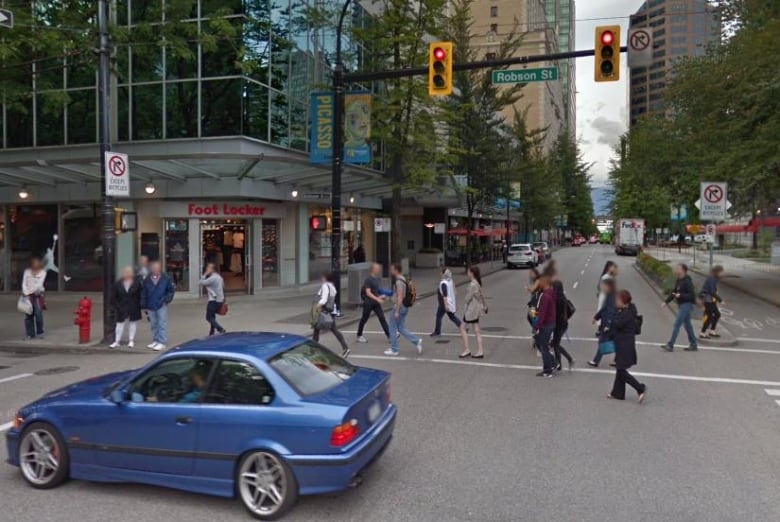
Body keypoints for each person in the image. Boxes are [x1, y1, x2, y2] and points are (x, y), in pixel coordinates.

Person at [609, 290, 647, 403]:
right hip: (623, 344)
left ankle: (640, 388)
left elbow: (616, 323)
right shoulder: (624, 311)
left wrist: (613, 317)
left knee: (621, 370)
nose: (616, 301)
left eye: (618, 300)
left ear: (624, 301)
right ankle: (617, 393)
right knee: (620, 368)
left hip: (625, 345)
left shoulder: (627, 313)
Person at [385, 263, 422, 356]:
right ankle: (416, 341)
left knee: (392, 327)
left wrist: (397, 310)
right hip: (404, 306)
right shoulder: (403, 278)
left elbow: (401, 296)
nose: (390, 270)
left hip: (400, 307)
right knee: (400, 327)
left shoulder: (398, 281)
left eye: (392, 269)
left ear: (396, 270)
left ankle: (394, 349)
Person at [660, 263, 698, 352]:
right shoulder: (678, 280)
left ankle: (670, 345)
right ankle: (694, 344)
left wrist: (681, 295)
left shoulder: (687, 281)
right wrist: (666, 302)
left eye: (678, 268)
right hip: (682, 304)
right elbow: (674, 292)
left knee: (677, 324)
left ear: (683, 270)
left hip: (687, 304)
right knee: (688, 325)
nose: (676, 270)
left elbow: (692, 295)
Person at [313, 272, 351, 358]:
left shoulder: (325, 286)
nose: (322, 278)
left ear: (325, 278)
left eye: (323, 277)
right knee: (332, 329)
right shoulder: (332, 286)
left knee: (317, 329)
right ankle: (345, 347)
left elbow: (324, 299)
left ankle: (314, 350)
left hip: (324, 311)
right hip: (331, 311)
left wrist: (317, 306)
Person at [140, 261, 176, 351]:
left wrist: (166, 300)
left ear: (160, 268)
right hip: (150, 304)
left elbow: (171, 290)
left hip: (161, 304)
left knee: (161, 323)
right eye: (153, 268)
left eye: (157, 268)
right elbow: (143, 292)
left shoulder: (166, 278)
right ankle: (155, 340)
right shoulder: (147, 279)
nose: (155, 269)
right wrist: (143, 305)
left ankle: (162, 342)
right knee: (153, 324)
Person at [356, 263, 391, 342]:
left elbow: (376, 291)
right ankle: (359, 335)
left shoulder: (377, 279)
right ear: (373, 269)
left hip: (376, 303)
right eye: (377, 268)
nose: (379, 270)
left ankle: (389, 335)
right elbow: (368, 292)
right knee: (364, 319)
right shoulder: (368, 279)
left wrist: (382, 296)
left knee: (382, 318)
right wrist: (377, 299)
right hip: (368, 303)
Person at [458, 266, 487, 358]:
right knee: (476, 330)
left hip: (471, 310)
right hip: (477, 309)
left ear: (472, 273)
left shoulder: (472, 284)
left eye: (468, 272)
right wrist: (484, 306)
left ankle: (467, 349)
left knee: (462, 327)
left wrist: (464, 302)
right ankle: (480, 351)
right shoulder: (477, 283)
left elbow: (467, 298)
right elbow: (481, 296)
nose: (467, 273)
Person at [111, 266, 142, 348]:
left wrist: (141, 304)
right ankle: (117, 341)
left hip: (133, 305)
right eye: (125, 272)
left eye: (129, 272)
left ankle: (131, 340)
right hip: (122, 306)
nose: (127, 274)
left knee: (133, 323)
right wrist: (117, 305)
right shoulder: (118, 283)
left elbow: (140, 294)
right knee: (120, 323)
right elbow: (114, 296)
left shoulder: (137, 283)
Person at [588, 278, 617, 367]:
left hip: (609, 323)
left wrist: (608, 324)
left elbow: (610, 311)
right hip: (609, 322)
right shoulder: (609, 295)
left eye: (604, 285)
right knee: (614, 341)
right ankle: (618, 359)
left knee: (602, 341)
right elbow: (604, 309)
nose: (602, 287)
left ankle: (596, 361)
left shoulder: (612, 297)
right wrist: (596, 317)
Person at [533, 274, 557, 377]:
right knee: (544, 345)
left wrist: (537, 326)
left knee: (543, 347)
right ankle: (553, 363)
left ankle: (547, 370)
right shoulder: (551, 293)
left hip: (546, 324)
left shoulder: (544, 296)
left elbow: (542, 313)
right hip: (551, 322)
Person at [551, 276, 574, 370]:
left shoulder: (557, 299)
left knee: (555, 344)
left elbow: (554, 313)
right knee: (555, 344)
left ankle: (567, 360)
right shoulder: (563, 297)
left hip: (558, 325)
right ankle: (561, 363)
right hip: (563, 324)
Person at [431, 268, 462, 337]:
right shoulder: (450, 281)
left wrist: (446, 305)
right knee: (452, 317)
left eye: (441, 273)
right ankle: (462, 327)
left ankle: (437, 332)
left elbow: (444, 295)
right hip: (449, 302)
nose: (440, 274)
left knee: (439, 317)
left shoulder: (443, 283)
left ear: (443, 274)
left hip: (444, 303)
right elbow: (454, 291)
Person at [21, 256, 47, 340]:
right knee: (28, 315)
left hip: (37, 295)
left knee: (38, 314)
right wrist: (25, 292)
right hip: (27, 295)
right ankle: (30, 333)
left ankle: (40, 332)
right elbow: (24, 283)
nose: (35, 264)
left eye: (37, 262)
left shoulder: (43, 272)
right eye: (34, 263)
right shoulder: (27, 271)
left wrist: (30, 292)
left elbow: (39, 285)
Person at [199, 262, 226, 336]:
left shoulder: (213, 278)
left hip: (213, 300)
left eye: (208, 268)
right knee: (212, 316)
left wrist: (204, 274)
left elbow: (201, 282)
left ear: (212, 269)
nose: (207, 269)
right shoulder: (219, 277)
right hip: (219, 299)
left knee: (208, 317)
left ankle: (220, 328)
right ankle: (212, 332)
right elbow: (223, 287)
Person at [700, 265, 724, 339]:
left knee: (717, 314)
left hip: (711, 300)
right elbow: (712, 291)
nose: (722, 273)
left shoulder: (714, 279)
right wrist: (720, 300)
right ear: (717, 272)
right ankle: (702, 333)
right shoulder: (711, 279)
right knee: (710, 316)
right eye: (721, 272)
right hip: (707, 300)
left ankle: (712, 331)